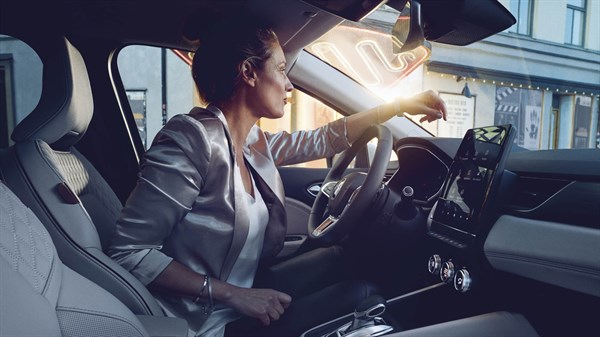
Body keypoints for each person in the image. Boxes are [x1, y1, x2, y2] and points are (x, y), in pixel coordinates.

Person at [108, 18, 447, 337]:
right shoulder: (191, 139)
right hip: (203, 320)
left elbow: (324, 139)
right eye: (282, 70)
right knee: (364, 294)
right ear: (248, 73)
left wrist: (398, 106)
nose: (289, 84)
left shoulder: (251, 141)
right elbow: (129, 252)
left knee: (343, 261)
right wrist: (234, 295)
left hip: (240, 295)